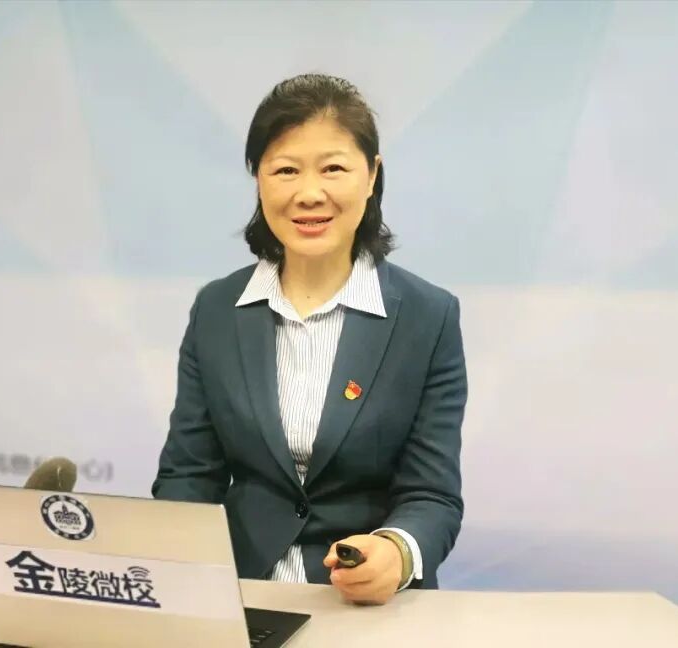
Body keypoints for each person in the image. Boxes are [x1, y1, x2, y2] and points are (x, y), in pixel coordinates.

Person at [151, 73, 466, 605]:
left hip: (368, 606)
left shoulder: (428, 316)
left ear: (372, 175)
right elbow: (189, 475)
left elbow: (432, 495)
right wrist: (179, 581)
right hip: (240, 597)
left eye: (333, 169)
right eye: (285, 170)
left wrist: (396, 551)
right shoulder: (217, 309)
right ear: (259, 180)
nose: (309, 193)